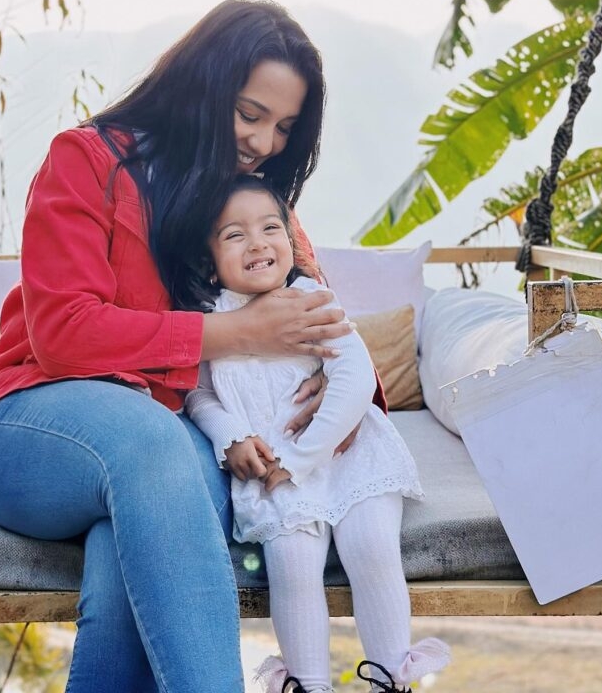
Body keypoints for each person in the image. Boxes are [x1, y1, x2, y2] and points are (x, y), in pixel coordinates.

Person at [0, 0, 356, 693]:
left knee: (129, 568)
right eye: (249, 114)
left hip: (174, 449)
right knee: (152, 443)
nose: (265, 144)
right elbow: (61, 334)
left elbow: (321, 316)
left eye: (284, 128)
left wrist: (326, 372)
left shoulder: (252, 201)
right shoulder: (85, 161)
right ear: (201, 84)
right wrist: (238, 332)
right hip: (31, 428)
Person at [184, 175, 451, 693]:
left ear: (290, 239)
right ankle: (308, 685)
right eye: (234, 235)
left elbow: (353, 378)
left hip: (347, 455)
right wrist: (230, 435)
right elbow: (199, 394)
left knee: (372, 544)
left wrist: (305, 458)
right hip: (272, 470)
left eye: (270, 228)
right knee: (292, 563)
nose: (258, 242)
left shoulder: (310, 296)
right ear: (208, 257)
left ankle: (391, 678)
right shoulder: (209, 319)